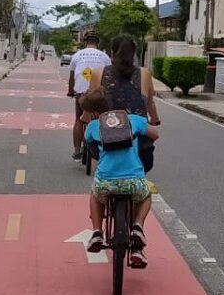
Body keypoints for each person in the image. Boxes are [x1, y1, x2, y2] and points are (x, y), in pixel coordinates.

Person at [80, 88, 158, 268]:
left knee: (94, 194)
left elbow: (88, 141)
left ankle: (98, 232)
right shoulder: (132, 119)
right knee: (146, 195)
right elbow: (155, 134)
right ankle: (137, 226)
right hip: (133, 182)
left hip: (105, 183)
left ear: (92, 112)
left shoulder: (94, 126)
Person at [87, 35, 161, 170]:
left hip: (106, 143)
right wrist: (155, 119)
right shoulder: (144, 74)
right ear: (133, 54)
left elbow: (90, 103)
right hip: (140, 147)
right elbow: (150, 104)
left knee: (99, 175)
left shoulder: (99, 73)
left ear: (111, 52)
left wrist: (85, 117)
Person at [67, 33, 110, 161]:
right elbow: (109, 75)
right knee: (103, 120)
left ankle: (77, 151)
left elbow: (71, 76)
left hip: (81, 93)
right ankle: (105, 146)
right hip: (98, 94)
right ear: (98, 43)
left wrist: (70, 91)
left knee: (79, 120)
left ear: (85, 42)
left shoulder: (77, 55)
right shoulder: (105, 57)